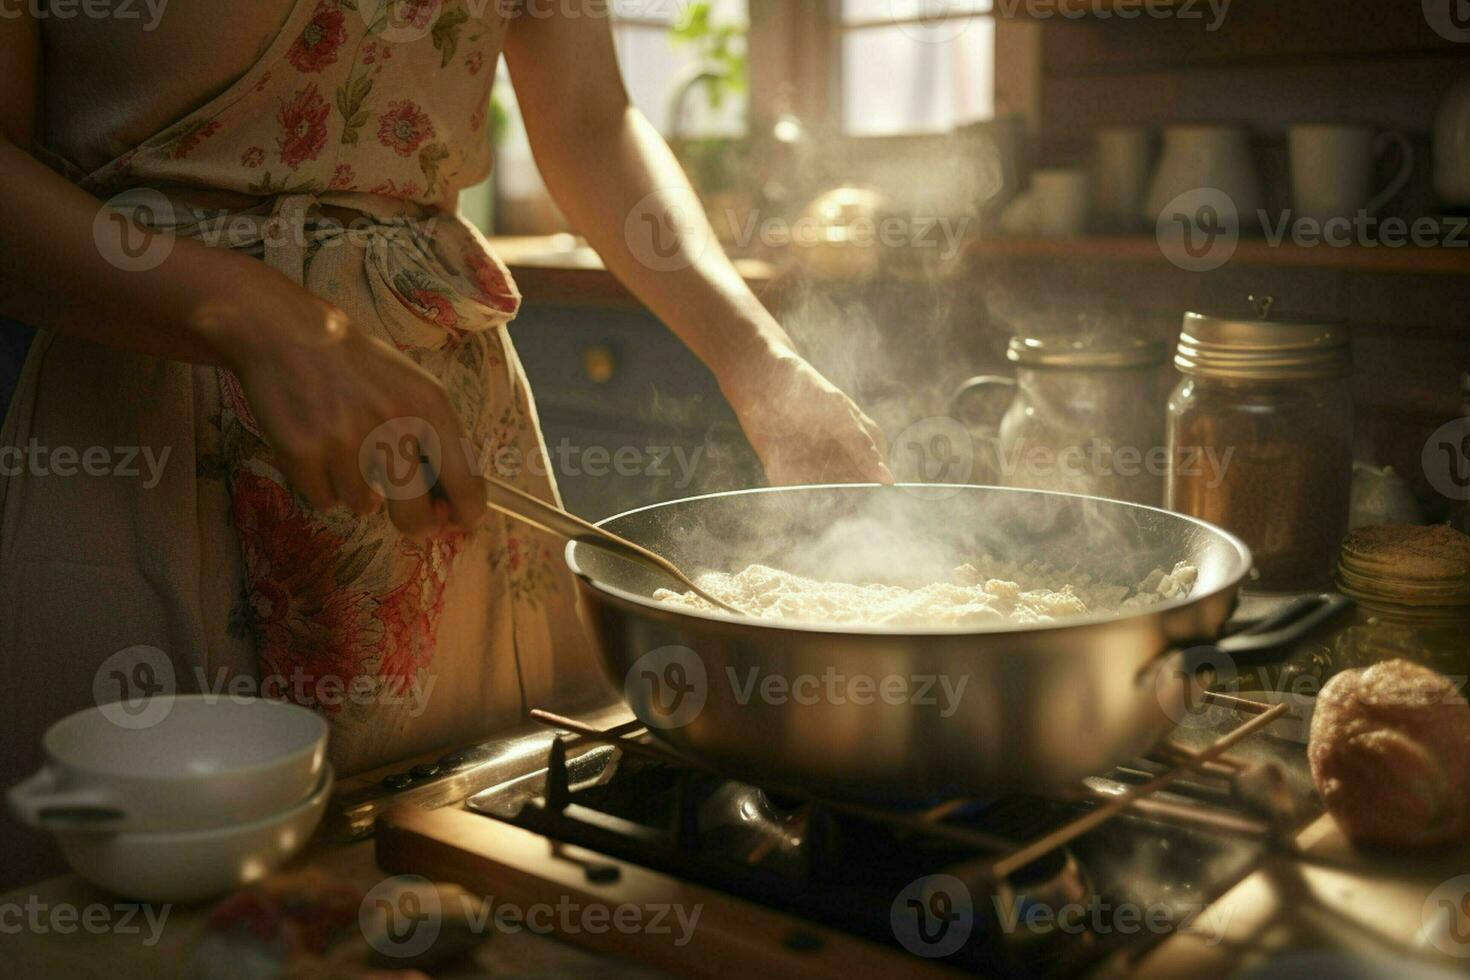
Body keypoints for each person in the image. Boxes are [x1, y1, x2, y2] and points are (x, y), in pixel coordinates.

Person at [0, 0, 889, 883]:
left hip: (444, 445)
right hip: (139, 425)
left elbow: (590, 121)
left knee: (464, 885)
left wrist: (760, 365)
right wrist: (249, 317)